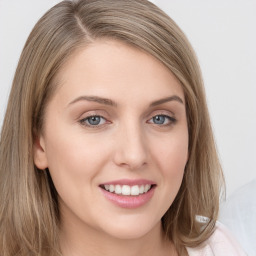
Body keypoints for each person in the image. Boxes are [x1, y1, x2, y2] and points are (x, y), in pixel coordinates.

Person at [0, 0, 246, 255]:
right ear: (37, 142)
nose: (134, 155)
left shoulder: (221, 247)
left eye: (160, 118)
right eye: (94, 119)